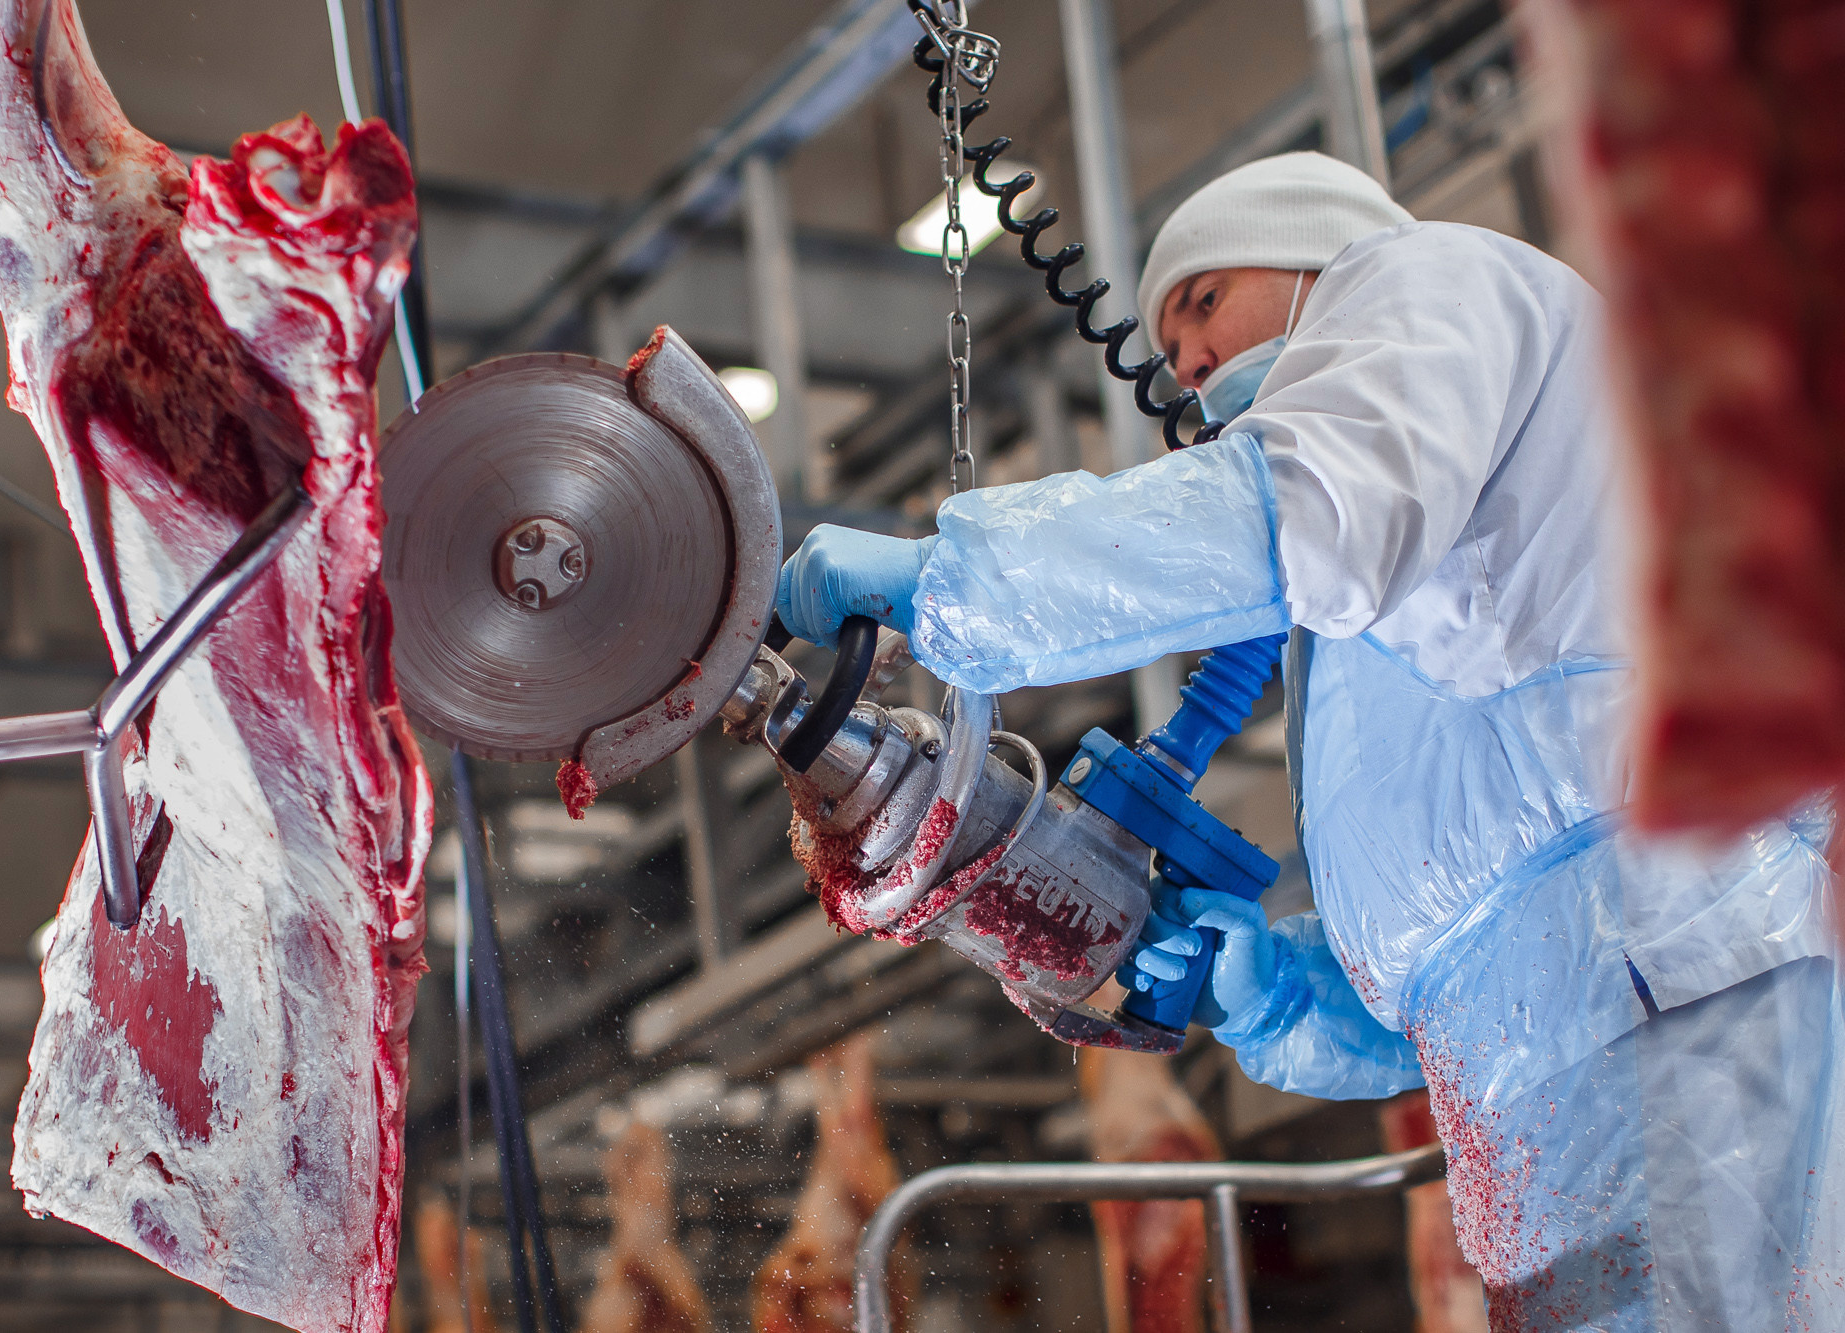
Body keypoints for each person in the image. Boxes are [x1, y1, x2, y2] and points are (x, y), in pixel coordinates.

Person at [774, 151, 1844, 1331]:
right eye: (1167, 334)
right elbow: (1473, 920)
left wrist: (954, 583)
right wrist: (1286, 993)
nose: (1181, 359)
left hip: (1665, 979)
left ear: (1316, 256)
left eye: (1200, 300)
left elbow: (1299, 514)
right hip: (1553, 1054)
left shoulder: (1433, 285)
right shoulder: (1372, 597)